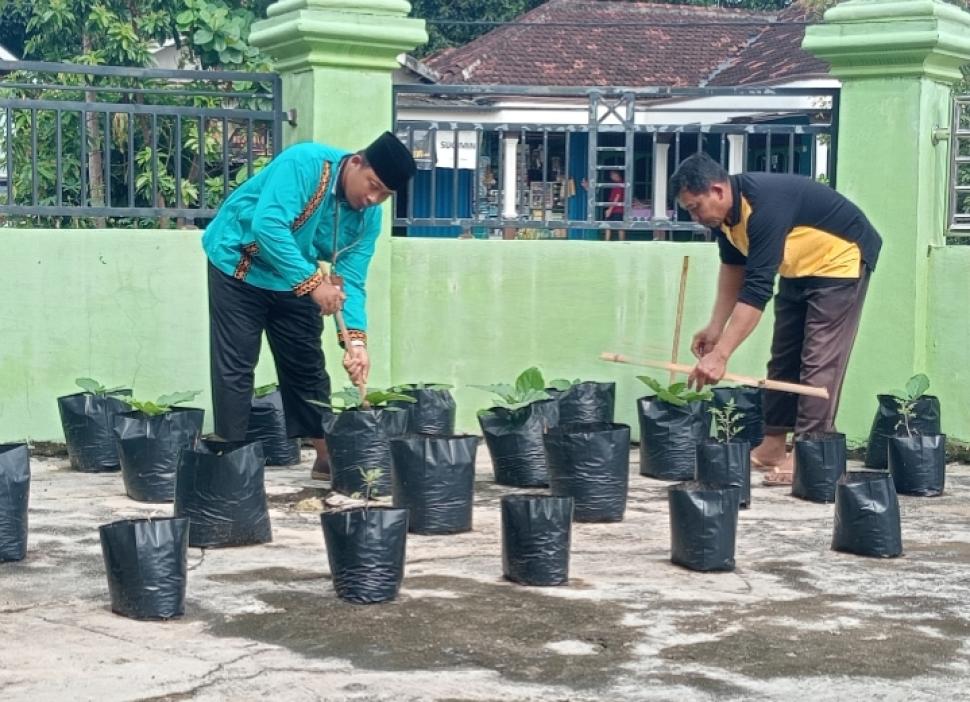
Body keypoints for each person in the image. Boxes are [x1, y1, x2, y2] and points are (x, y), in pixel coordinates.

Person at [202, 132, 417, 480]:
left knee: (307, 365)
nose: (372, 198)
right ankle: (230, 461)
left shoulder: (369, 219)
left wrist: (356, 343)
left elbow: (351, 280)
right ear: (356, 162)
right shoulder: (304, 164)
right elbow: (268, 225)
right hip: (238, 262)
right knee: (237, 366)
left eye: (384, 195)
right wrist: (315, 283)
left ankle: (326, 457)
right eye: (372, 185)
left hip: (294, 273)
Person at [668, 153, 882, 485]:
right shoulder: (724, 221)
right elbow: (734, 270)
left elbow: (756, 292)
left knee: (818, 361)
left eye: (695, 206)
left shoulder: (764, 207)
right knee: (783, 356)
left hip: (840, 263)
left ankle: (809, 449)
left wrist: (721, 354)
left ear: (717, 190)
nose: (695, 216)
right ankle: (772, 444)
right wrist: (715, 327)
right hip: (798, 269)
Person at [604, 169, 626, 241]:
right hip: (617, 208)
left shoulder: (618, 184)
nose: (611, 177)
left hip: (617, 209)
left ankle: (620, 242)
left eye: (612, 175)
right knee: (609, 225)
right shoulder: (620, 183)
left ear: (616, 174)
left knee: (619, 226)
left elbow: (617, 197)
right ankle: (607, 241)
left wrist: (610, 209)